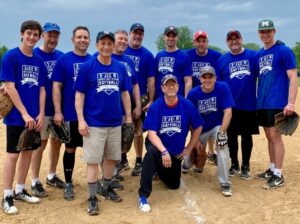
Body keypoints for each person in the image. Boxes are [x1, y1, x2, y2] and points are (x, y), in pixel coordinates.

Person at [75, 31, 132, 215]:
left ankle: (106, 188)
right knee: (93, 162)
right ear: (97, 45)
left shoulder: (120, 67)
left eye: (109, 43)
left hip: (115, 122)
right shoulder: (87, 67)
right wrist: (81, 120)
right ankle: (92, 197)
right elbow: (79, 95)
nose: (106, 47)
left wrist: (129, 117)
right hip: (94, 123)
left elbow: (125, 93)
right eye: (103, 43)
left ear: (113, 45)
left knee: (111, 158)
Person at [138, 74, 203, 212]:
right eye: (167, 84)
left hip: (175, 150)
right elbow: (151, 134)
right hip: (158, 145)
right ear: (162, 88)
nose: (171, 87)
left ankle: (158, 170)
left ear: (178, 86)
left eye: (173, 84)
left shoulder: (186, 105)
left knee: (174, 184)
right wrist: (163, 151)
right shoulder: (156, 106)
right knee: (151, 154)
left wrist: (189, 148)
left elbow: (198, 126)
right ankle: (143, 196)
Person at [0, 20, 46, 215]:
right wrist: (24, 113)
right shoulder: (11, 56)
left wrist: (41, 113)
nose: (32, 37)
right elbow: (9, 87)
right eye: (29, 33)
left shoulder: (38, 60)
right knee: (13, 155)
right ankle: (7, 195)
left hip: (35, 117)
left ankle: (20, 189)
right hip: (17, 117)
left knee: (28, 152)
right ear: (22, 33)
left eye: (36, 34)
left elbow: (43, 89)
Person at [255, 20, 298, 189]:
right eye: (262, 32)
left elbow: (293, 77)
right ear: (259, 34)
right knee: (268, 137)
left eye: (268, 31)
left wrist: (291, 103)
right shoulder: (259, 54)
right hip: (263, 102)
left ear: (274, 31)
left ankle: (279, 174)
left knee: (275, 137)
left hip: (277, 100)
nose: (265, 34)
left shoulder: (284, 51)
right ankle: (272, 168)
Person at [52, 26, 93, 200]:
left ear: (90, 40)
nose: (82, 40)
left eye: (85, 37)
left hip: (91, 115)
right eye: (79, 37)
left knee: (93, 150)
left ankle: (94, 183)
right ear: (73, 40)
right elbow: (56, 87)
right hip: (70, 114)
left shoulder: (94, 60)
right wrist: (58, 111)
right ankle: (68, 183)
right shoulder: (64, 60)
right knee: (70, 148)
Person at [182, 66, 235, 197]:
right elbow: (189, 119)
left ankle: (225, 183)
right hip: (199, 129)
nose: (207, 80)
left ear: (215, 78)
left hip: (216, 126)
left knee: (222, 147)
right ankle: (185, 163)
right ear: (200, 79)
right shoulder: (193, 94)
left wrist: (222, 133)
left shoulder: (222, 87)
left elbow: (228, 112)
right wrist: (196, 140)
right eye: (204, 77)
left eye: (210, 76)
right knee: (190, 162)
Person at [218, 30, 259, 179]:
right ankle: (234, 164)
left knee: (247, 136)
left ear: (241, 39)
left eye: (236, 38)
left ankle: (246, 165)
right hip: (230, 105)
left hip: (249, 103)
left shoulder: (253, 56)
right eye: (230, 39)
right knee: (231, 137)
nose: (234, 41)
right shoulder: (222, 60)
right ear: (227, 42)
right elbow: (220, 85)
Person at [30, 22, 65, 198]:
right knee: (39, 145)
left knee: (56, 142)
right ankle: (35, 180)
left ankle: (51, 175)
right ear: (42, 35)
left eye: (56, 35)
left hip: (57, 108)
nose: (52, 38)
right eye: (49, 35)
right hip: (40, 109)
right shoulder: (34, 54)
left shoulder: (61, 56)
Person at [186, 30, 222, 165]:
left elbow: (220, 76)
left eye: (204, 41)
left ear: (207, 42)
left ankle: (212, 152)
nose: (201, 44)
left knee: (212, 122)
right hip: (195, 96)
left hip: (211, 94)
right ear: (194, 42)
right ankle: (195, 148)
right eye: (198, 41)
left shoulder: (216, 56)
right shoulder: (187, 55)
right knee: (195, 125)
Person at [125, 23, 156, 176]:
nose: (137, 36)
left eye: (140, 34)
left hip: (140, 98)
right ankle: (122, 159)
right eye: (135, 33)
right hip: (121, 98)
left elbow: (151, 80)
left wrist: (150, 100)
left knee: (138, 131)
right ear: (130, 34)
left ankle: (138, 160)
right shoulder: (121, 50)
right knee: (121, 130)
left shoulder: (148, 55)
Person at [111, 29, 141, 174]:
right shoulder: (101, 57)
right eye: (120, 39)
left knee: (122, 141)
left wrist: (138, 105)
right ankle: (110, 174)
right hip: (110, 109)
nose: (123, 41)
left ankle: (116, 169)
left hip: (126, 108)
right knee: (111, 143)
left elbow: (135, 84)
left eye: (125, 39)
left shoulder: (127, 60)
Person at [154, 26, 192, 99]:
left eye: (173, 36)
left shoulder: (184, 56)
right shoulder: (159, 55)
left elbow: (188, 80)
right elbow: (154, 78)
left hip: (177, 99)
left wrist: (186, 98)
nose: (171, 38)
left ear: (177, 38)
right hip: (160, 99)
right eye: (168, 36)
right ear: (164, 37)